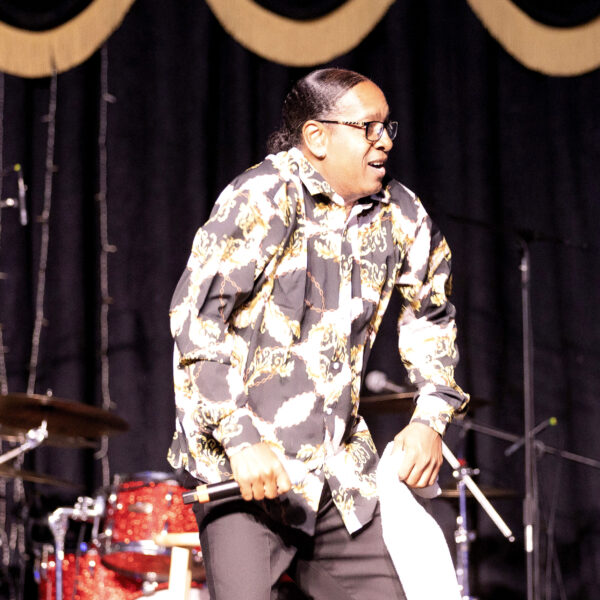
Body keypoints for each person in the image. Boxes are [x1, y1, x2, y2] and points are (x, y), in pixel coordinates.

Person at [168, 68, 468, 600]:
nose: (384, 141)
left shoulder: (402, 213)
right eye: (368, 128)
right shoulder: (262, 196)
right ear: (317, 136)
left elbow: (431, 316)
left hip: (337, 475)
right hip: (245, 473)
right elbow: (197, 322)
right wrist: (239, 439)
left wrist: (430, 419)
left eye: (387, 127)